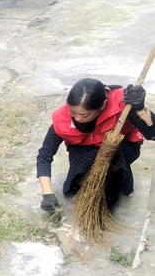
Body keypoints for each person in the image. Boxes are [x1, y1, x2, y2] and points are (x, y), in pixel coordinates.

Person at [37, 79, 153, 212]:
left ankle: (114, 181)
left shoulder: (123, 104)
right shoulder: (62, 118)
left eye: (84, 115)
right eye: (73, 112)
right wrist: (47, 194)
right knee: (78, 180)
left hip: (120, 146)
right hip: (84, 149)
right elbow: (44, 155)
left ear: (102, 105)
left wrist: (141, 109)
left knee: (112, 177)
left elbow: (152, 134)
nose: (77, 118)